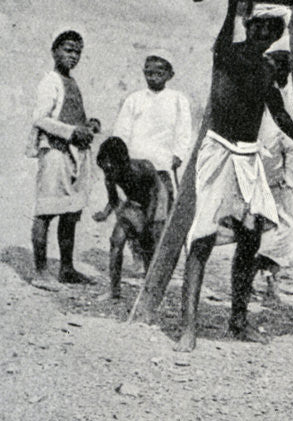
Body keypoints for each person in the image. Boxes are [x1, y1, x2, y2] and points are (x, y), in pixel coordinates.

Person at [176, 2, 293, 352]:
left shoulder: (266, 68)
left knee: (251, 236)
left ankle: (238, 320)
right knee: (201, 237)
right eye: (259, 25)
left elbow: (277, 110)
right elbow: (224, 33)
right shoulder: (228, 54)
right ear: (249, 25)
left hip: (248, 155)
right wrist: (234, 1)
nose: (265, 33)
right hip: (219, 150)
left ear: (278, 34)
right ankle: (188, 329)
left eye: (273, 29)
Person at [26, 30, 100, 284]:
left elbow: (72, 113)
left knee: (70, 211)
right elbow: (40, 118)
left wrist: (88, 125)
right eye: (68, 50)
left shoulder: (72, 82)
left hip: (74, 154)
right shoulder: (50, 80)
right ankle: (40, 272)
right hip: (55, 152)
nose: (73, 56)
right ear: (54, 51)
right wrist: (71, 131)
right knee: (46, 211)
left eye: (78, 52)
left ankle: (66, 268)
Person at [254, 49, 293, 300]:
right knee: (288, 219)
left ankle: (267, 275)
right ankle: (260, 264)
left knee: (284, 218)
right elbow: (282, 120)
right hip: (276, 156)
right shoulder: (270, 92)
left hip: (281, 155)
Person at [93, 137, 173, 300]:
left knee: (148, 245)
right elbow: (114, 200)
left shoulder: (144, 168)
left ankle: (151, 291)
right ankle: (114, 290)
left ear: (122, 162)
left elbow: (153, 199)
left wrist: (146, 225)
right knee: (116, 240)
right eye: (105, 170)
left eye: (110, 169)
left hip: (157, 201)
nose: (107, 174)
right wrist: (105, 213)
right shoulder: (110, 174)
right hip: (135, 203)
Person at [112, 50, 192, 197]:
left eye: (159, 73)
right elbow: (121, 131)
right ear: (144, 73)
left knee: (163, 203)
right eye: (149, 73)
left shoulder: (178, 100)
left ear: (170, 75)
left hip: (163, 164)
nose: (154, 78)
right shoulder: (134, 99)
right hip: (136, 163)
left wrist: (178, 154)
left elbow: (184, 131)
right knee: (137, 204)